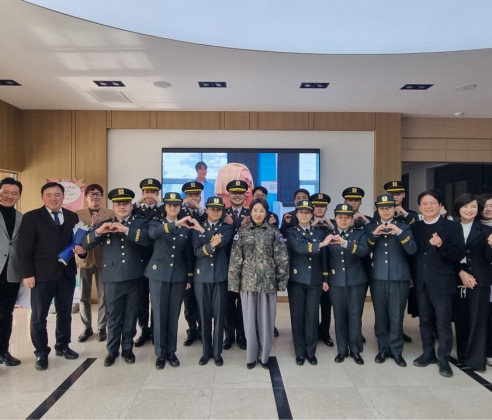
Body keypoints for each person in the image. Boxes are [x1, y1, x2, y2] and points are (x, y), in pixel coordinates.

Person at [18, 182, 83, 371]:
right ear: (42, 197)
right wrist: (27, 274)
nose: (53, 198)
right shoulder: (31, 217)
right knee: (39, 316)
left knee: (65, 313)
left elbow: (76, 242)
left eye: (57, 195)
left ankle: (62, 346)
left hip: (66, 274)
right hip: (41, 275)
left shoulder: (72, 216)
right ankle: (41, 352)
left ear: (63, 197)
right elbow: (24, 248)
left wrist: (82, 251)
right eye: (49, 195)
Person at [82, 188, 149, 367]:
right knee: (113, 315)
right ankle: (112, 350)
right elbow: (85, 244)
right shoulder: (106, 224)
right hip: (112, 277)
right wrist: (98, 232)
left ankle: (127, 349)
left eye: (125, 203)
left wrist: (126, 230)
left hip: (134, 276)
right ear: (113, 206)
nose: (122, 207)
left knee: (130, 315)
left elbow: (147, 241)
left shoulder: (140, 222)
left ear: (131, 205)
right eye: (118, 204)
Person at [228, 198, 289, 369]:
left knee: (266, 322)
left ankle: (264, 357)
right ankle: (251, 356)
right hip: (247, 283)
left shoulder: (274, 232)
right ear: (250, 212)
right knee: (249, 322)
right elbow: (235, 259)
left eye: (261, 211)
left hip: (268, 284)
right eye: (255, 210)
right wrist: (234, 283)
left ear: (266, 213)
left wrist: (282, 281)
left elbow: (282, 258)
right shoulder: (242, 231)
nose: (258, 214)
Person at [411, 189, 465, 378]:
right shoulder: (415, 227)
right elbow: (413, 254)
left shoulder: (452, 227)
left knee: (443, 322)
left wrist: (442, 245)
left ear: (441, 205)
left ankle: (444, 359)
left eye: (432, 203)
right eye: (424, 204)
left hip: (443, 282)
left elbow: (459, 254)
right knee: (425, 320)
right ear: (419, 207)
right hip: (421, 282)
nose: (428, 206)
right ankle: (428, 354)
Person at [365, 194, 417, 367]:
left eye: (388, 207)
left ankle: (396, 351)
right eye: (382, 208)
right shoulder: (371, 227)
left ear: (394, 209)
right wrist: (374, 235)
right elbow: (364, 250)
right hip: (378, 276)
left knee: (396, 316)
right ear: (378, 209)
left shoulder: (404, 226)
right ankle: (383, 349)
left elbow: (412, 250)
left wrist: (400, 233)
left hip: (399, 277)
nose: (385, 210)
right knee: (380, 315)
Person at [145, 192, 195, 369]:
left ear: (180, 207)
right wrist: (176, 224)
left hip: (178, 276)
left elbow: (188, 254)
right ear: (165, 207)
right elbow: (154, 234)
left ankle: (171, 351)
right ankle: (160, 353)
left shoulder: (186, 227)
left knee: (174, 315)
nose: (173, 208)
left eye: (176, 205)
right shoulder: (156, 223)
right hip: (158, 275)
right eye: (169, 205)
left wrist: (189, 276)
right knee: (159, 315)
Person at [191, 196, 233, 366]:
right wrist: (211, 244)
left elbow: (222, 244)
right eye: (212, 209)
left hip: (220, 277)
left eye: (218, 209)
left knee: (219, 316)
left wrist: (204, 232)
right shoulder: (195, 229)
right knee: (204, 316)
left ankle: (217, 353)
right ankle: (205, 352)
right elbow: (196, 252)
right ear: (206, 210)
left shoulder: (227, 228)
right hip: (202, 277)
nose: (215, 211)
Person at [325, 204, 369, 365]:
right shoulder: (328, 235)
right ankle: (342, 350)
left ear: (352, 219)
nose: (343, 220)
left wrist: (345, 243)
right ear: (335, 218)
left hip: (356, 281)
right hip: (336, 282)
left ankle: (356, 350)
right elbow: (325, 259)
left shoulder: (359, 233)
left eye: (347, 217)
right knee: (339, 317)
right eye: (340, 217)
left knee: (355, 317)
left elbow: (364, 251)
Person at [286, 199, 329, 366]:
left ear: (312, 215)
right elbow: (299, 248)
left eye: (307, 212)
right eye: (301, 212)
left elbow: (324, 258)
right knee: (297, 317)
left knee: (312, 316)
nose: (304, 215)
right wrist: (321, 244)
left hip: (315, 280)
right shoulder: (291, 232)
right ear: (296, 214)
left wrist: (325, 278)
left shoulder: (319, 233)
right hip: (296, 280)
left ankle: (311, 352)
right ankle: (299, 352)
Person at [452, 193, 492, 372]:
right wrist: (460, 272)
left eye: (473, 207)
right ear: (458, 208)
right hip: (457, 279)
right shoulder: (451, 228)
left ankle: (475, 360)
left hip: (479, 280)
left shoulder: (485, 231)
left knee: (478, 320)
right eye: (466, 206)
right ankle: (462, 355)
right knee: (461, 319)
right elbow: (446, 254)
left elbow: (488, 259)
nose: (469, 210)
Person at [76, 184, 114, 343]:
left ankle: (102, 327)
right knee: (83, 296)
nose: (95, 196)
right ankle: (86, 327)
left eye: (98, 194)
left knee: (103, 295)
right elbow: (76, 236)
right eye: (91, 194)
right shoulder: (78, 214)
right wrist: (92, 226)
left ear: (102, 196)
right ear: (86, 197)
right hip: (83, 259)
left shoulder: (110, 213)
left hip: (103, 258)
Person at [133, 178, 164, 347]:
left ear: (158, 194)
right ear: (142, 193)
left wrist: (160, 203)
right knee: (141, 298)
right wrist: (138, 202)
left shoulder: (163, 209)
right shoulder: (136, 209)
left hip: (158, 258)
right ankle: (144, 329)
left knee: (157, 299)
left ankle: (155, 330)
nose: (149, 196)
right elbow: (126, 215)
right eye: (146, 192)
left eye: (153, 192)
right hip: (139, 259)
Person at [222, 179, 251, 350]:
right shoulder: (221, 212)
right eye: (234, 192)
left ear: (245, 195)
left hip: (245, 267)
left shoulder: (251, 214)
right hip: (225, 265)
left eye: (240, 193)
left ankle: (242, 334)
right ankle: (228, 335)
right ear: (229, 195)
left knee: (242, 303)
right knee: (227, 303)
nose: (237, 195)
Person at [0, 177, 23, 367]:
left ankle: (3, 352)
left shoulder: (21, 218)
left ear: (19, 196)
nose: (10, 196)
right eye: (5, 192)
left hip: (11, 273)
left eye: (14, 193)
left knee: (6, 314)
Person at [180, 181, 206, 346]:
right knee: (188, 302)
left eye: (196, 195)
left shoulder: (205, 213)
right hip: (184, 262)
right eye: (190, 195)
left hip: (202, 261)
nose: (193, 198)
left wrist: (200, 209)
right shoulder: (179, 213)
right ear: (185, 197)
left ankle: (203, 331)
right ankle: (191, 331)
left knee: (202, 301)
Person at [310, 193, 335, 347]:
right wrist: (312, 226)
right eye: (316, 206)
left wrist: (332, 227)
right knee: (311, 306)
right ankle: (312, 332)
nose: (319, 209)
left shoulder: (333, 224)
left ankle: (325, 333)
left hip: (330, 270)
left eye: (322, 206)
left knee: (326, 305)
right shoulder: (305, 223)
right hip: (311, 270)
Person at [479, 193, 492, 367]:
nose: (488, 209)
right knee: (486, 314)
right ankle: (487, 349)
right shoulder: (474, 227)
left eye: (491, 206)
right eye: (485, 206)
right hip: (481, 276)